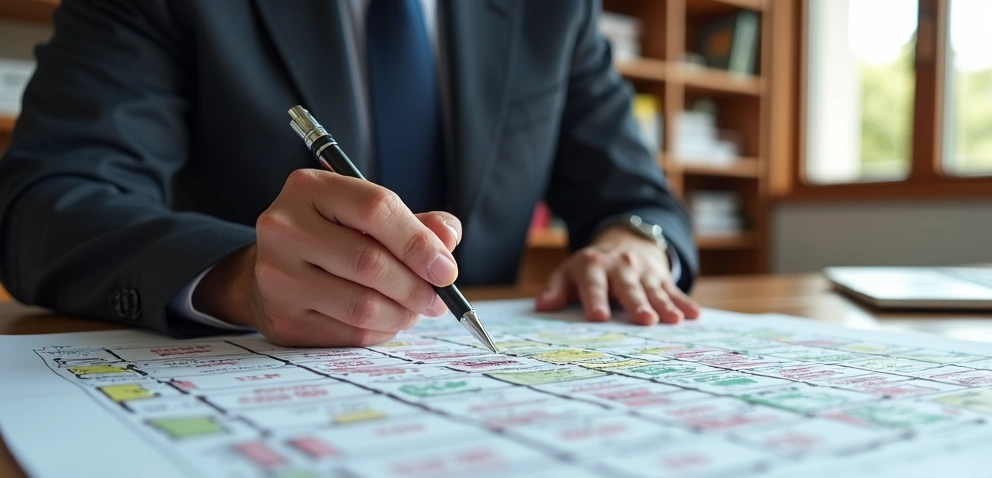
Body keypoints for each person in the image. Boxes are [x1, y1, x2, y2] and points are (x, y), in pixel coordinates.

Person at [0, 0, 700, 347]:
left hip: (481, 391)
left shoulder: (553, 10)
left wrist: (635, 241)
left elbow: (637, 198)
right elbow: (47, 203)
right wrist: (237, 277)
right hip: (250, 379)